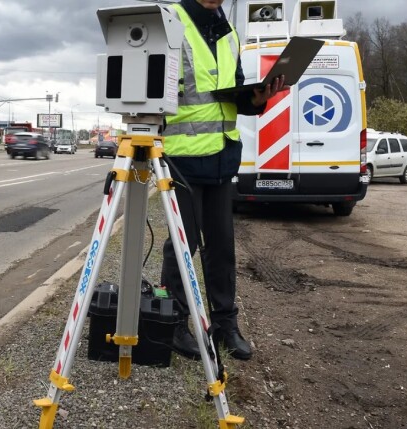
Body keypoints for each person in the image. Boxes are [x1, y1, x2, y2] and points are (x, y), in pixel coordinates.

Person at [161, 0, 286, 361]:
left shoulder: (228, 31)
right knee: (183, 248)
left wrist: (259, 98)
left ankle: (225, 324)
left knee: (222, 247)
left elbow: (234, 96)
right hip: (182, 156)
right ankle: (174, 324)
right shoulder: (172, 20)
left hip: (222, 156)